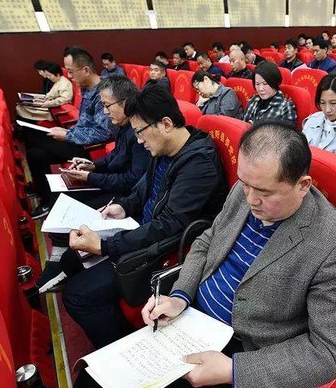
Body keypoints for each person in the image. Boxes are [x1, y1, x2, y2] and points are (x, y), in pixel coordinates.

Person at [72, 121, 336, 388]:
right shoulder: (245, 189)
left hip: (243, 352)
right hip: (191, 321)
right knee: (92, 380)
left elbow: (327, 353)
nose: (251, 200)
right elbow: (208, 240)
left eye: (264, 192)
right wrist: (180, 296)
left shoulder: (334, 243)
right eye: (245, 184)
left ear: (303, 185)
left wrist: (234, 370)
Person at [59, 84, 228, 349]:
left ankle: (123, 348)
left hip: (162, 250)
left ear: (166, 124)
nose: (138, 140)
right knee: (71, 258)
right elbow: (143, 188)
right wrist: (123, 206)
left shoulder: (199, 165)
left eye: (140, 132)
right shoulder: (164, 148)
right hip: (141, 229)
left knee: (77, 296)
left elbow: (168, 226)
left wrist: (106, 246)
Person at [40, 76, 150, 266]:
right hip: (112, 181)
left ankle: (60, 258)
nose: (105, 112)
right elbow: (114, 155)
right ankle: (59, 252)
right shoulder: (123, 125)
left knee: (70, 207)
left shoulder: (138, 131)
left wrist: (91, 177)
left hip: (124, 195)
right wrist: (92, 166)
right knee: (60, 192)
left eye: (107, 106)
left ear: (125, 103)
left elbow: (132, 181)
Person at [24, 47, 116, 219]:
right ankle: (46, 199)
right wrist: (69, 131)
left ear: (86, 70)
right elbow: (83, 124)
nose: (69, 76)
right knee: (35, 154)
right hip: (77, 141)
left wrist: (68, 135)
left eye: (71, 72)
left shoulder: (104, 92)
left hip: (88, 148)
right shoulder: (86, 89)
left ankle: (49, 201)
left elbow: (104, 132)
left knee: (30, 135)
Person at [243, 61, 297, 126]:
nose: (260, 89)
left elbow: (287, 132)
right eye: (257, 84)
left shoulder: (285, 107)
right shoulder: (253, 99)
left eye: (265, 84)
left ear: (274, 82)